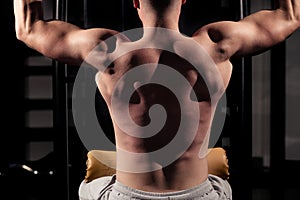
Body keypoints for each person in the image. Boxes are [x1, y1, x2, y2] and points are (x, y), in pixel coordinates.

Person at [14, 0, 300, 199]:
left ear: (135, 2)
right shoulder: (214, 47)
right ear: (183, 1)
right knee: (221, 187)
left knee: (89, 187)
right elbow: (289, 17)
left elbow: (28, 28)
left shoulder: (110, 51)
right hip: (199, 195)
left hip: (127, 196)